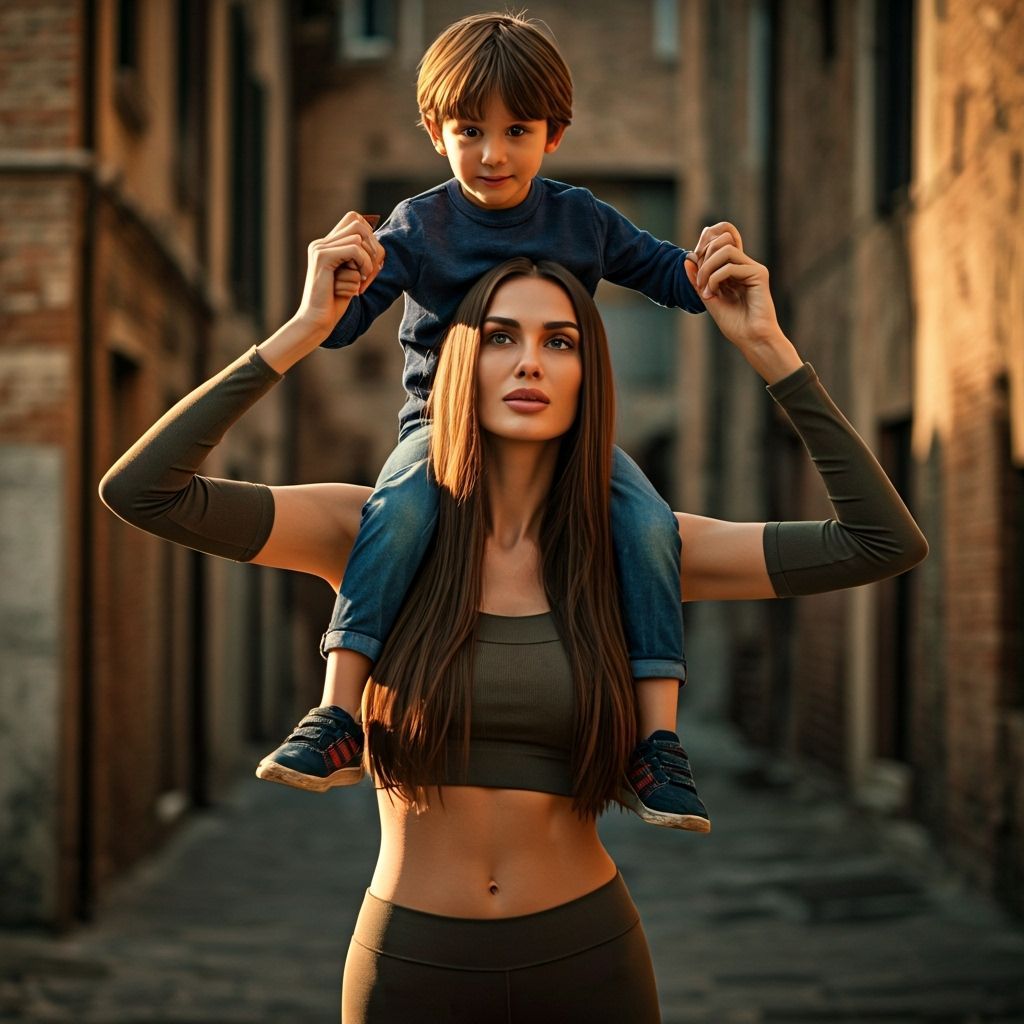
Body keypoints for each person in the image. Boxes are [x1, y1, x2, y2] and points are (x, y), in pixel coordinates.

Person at [99, 221, 927, 1022]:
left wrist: (770, 355)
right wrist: (303, 330)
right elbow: (144, 491)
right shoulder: (366, 534)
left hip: (589, 959)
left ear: (586, 372)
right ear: (457, 360)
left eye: (560, 341)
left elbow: (879, 542)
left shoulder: (644, 552)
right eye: (499, 336)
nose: (529, 361)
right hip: (408, 968)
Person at [255, 11, 725, 832]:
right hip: (439, 431)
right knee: (395, 512)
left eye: (518, 130)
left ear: (555, 134)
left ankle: (658, 746)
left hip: (566, 436)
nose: (493, 153)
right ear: (436, 132)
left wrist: (713, 268)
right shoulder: (418, 223)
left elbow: (664, 273)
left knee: (650, 525)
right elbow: (347, 322)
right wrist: (330, 292)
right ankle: (336, 717)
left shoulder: (581, 218)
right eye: (470, 130)